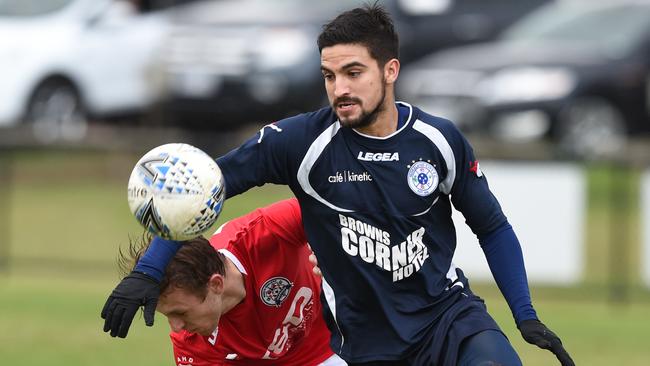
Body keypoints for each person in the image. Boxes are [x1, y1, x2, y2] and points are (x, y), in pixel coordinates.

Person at [102, 4, 574, 365]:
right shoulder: (299, 142)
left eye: (353, 73)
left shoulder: (439, 140)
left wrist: (524, 313)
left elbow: (491, 225)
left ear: (390, 71)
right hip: (363, 343)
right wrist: (148, 272)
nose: (339, 89)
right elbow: (204, 190)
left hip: (446, 318)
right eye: (329, 76)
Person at [105, 198, 345, 365]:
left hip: (333, 345)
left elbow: (334, 210)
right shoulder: (190, 342)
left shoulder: (264, 233)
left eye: (180, 312)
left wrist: (336, 251)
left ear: (216, 284)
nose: (176, 327)